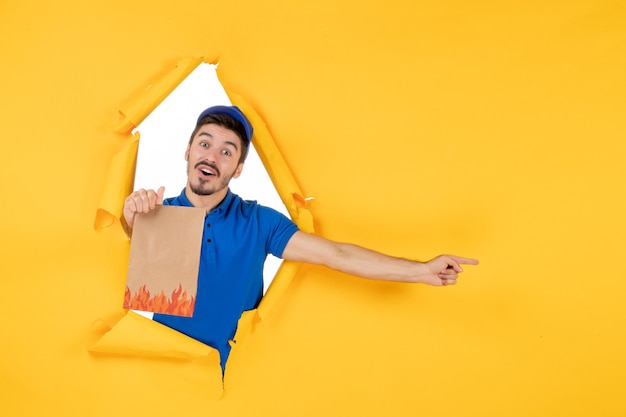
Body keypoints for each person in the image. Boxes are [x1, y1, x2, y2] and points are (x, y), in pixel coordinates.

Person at [122, 105, 478, 371]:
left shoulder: (259, 222)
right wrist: (130, 219)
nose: (212, 156)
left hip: (234, 380)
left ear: (239, 168)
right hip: (162, 375)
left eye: (227, 151)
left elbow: (337, 254)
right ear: (188, 151)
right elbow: (121, 248)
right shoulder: (156, 215)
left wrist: (421, 271)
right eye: (205, 143)